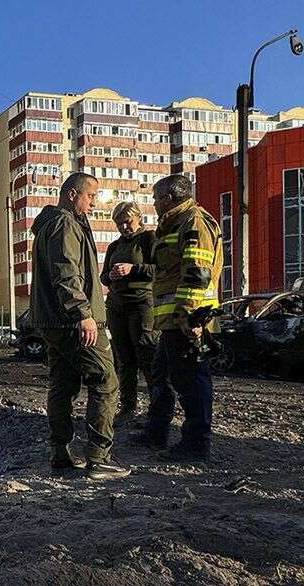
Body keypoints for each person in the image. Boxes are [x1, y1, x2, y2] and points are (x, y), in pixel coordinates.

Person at [29, 172, 130, 480]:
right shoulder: (64, 223)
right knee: (106, 380)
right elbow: (67, 272)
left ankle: (60, 454)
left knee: (63, 384)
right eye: (89, 197)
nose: (92, 203)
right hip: (72, 321)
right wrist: (82, 314)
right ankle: (99, 459)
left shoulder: (51, 224)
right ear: (72, 194)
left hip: (53, 321)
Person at [134, 174, 223, 463]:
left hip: (188, 320)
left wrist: (188, 315)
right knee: (162, 375)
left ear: (167, 198)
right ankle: (156, 432)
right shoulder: (173, 223)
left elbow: (197, 270)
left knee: (190, 380)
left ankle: (196, 444)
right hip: (173, 322)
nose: (154, 203)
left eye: (156, 198)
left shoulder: (194, 222)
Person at [101, 201, 158, 421]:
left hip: (141, 304)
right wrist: (111, 277)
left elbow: (160, 269)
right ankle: (128, 407)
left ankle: (157, 408)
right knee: (124, 360)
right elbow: (104, 276)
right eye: (119, 223)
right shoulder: (114, 247)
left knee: (146, 355)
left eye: (127, 221)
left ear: (138, 218)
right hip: (116, 306)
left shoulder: (148, 239)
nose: (124, 227)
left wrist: (134, 269)